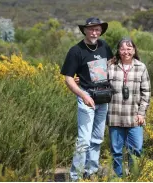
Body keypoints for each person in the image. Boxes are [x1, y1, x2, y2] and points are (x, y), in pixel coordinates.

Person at [60, 17, 113, 181]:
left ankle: (91, 171)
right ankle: (76, 175)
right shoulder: (76, 51)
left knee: (97, 138)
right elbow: (68, 78)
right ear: (84, 30)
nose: (94, 32)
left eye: (97, 29)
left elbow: (110, 64)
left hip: (103, 97)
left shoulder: (104, 46)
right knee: (84, 139)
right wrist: (83, 95)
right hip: (86, 97)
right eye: (91, 29)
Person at [107, 38, 151, 177]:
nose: (126, 52)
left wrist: (142, 113)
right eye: (122, 49)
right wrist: (80, 79)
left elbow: (146, 92)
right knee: (116, 151)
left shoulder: (141, 67)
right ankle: (118, 178)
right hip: (115, 116)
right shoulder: (110, 66)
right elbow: (97, 81)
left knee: (136, 149)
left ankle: (134, 177)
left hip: (135, 117)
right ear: (118, 51)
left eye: (129, 48)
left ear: (134, 50)